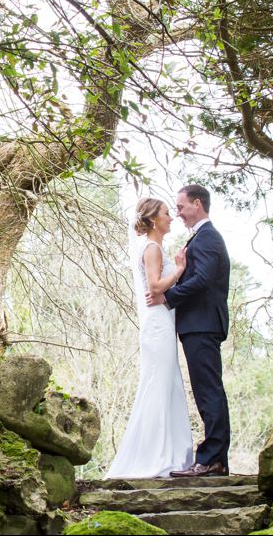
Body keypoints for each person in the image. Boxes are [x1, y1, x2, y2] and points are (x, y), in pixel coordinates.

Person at [105, 197, 194, 479]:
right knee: (158, 386)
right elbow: (155, 287)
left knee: (168, 386)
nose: (171, 218)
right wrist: (179, 270)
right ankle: (155, 457)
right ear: (154, 219)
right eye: (167, 213)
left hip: (163, 323)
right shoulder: (152, 247)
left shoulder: (154, 246)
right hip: (158, 325)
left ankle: (171, 454)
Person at [147, 184, 232, 477]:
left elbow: (204, 279)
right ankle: (214, 459)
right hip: (199, 325)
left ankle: (211, 459)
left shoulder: (208, 238)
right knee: (206, 390)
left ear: (197, 204)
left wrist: (168, 297)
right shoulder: (201, 237)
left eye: (181, 207)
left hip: (203, 324)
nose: (179, 213)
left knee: (209, 391)